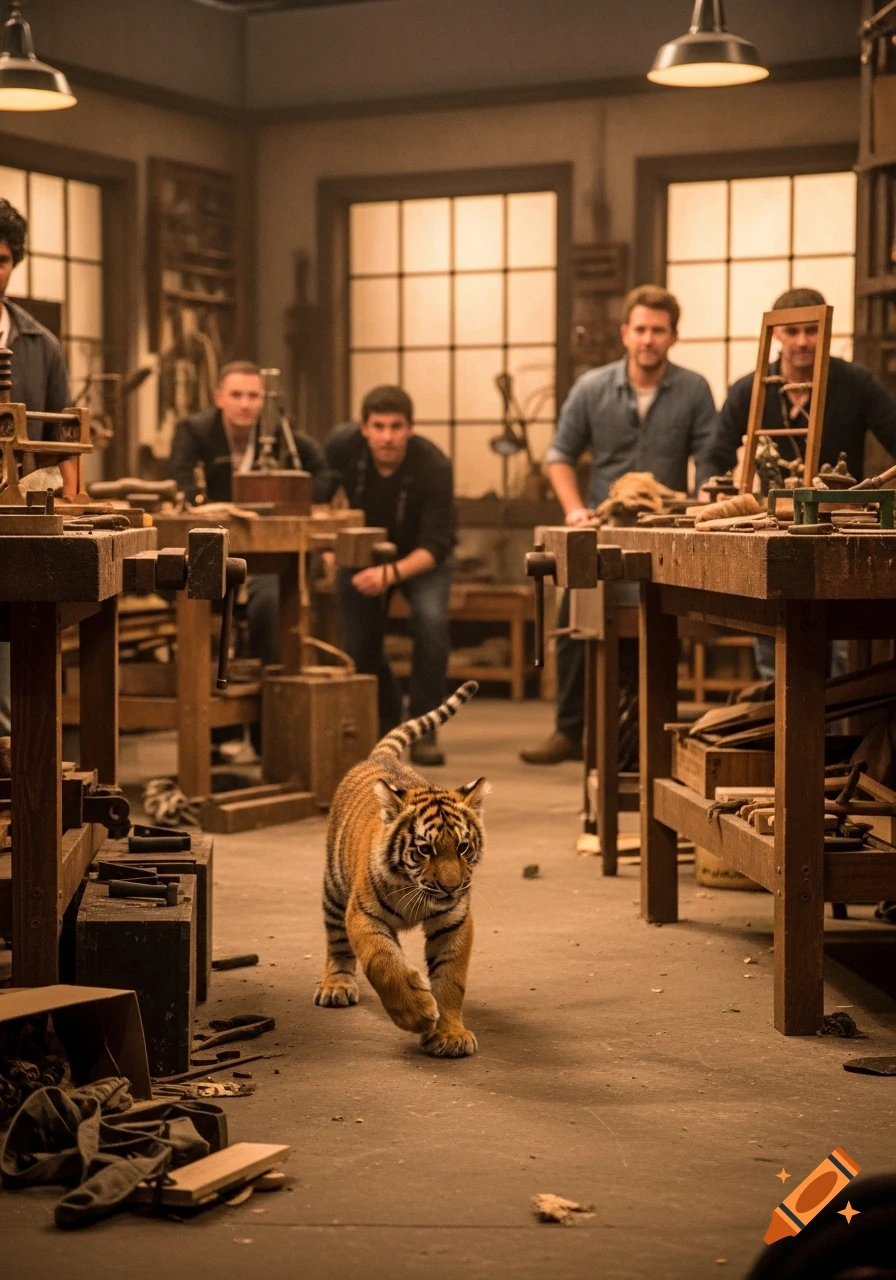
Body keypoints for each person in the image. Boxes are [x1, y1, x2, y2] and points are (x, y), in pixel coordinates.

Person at [520, 284, 718, 764]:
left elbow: (710, 459)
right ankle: (569, 731)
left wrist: (707, 501)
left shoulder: (693, 389)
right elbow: (559, 457)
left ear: (673, 336)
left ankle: (639, 738)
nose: (648, 339)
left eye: (659, 331)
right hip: (602, 528)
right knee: (573, 622)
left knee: (651, 628)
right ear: (626, 333)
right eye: (641, 329)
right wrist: (573, 509)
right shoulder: (592, 388)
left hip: (664, 532)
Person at [703, 286, 896, 679]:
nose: (803, 341)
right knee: (776, 659)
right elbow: (715, 454)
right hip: (774, 533)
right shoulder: (751, 388)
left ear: (824, 331)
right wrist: (715, 491)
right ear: (777, 335)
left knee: (845, 662)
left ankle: (845, 739)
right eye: (793, 332)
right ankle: (779, 737)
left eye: (812, 330)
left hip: (840, 533)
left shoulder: (855, 382)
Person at [323, 385, 455, 767]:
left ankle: (425, 728)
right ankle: (380, 720)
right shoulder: (341, 447)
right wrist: (329, 549)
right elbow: (316, 497)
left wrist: (391, 573)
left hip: (419, 557)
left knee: (430, 621)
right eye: (378, 426)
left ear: (411, 428)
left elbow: (438, 544)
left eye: (396, 427)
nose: (387, 437)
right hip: (362, 553)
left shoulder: (434, 466)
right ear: (363, 427)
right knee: (359, 641)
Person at [168, 360, 330, 670]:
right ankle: (200, 682)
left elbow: (322, 472)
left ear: (264, 399)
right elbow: (179, 479)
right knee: (192, 597)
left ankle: (269, 689)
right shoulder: (195, 430)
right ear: (219, 398)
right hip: (211, 544)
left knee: (271, 603)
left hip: (267, 548)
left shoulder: (278, 431)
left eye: (254, 396)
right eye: (237, 395)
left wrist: (296, 501)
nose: (245, 404)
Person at [0, 197, 75, 736]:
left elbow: (59, 448)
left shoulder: (39, 346)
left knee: (14, 667)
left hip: (17, 528)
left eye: (1, 258)